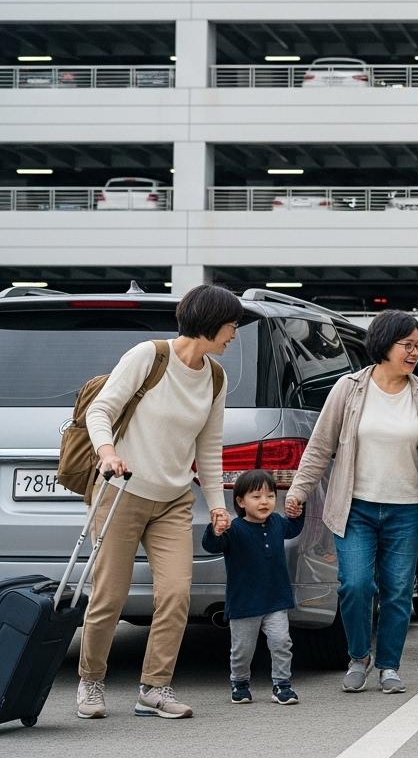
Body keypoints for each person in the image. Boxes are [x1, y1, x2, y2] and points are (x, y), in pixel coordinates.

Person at [285, 310, 418, 695]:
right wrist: (299, 490)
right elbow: (319, 446)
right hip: (355, 508)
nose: (416, 352)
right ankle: (358, 655)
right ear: (384, 344)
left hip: (405, 510)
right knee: (356, 586)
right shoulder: (348, 389)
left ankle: (389, 665)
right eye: (408, 345)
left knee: (398, 591)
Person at [77, 284, 242, 720]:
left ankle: (154, 688)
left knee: (175, 595)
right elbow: (100, 410)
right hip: (122, 494)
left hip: (173, 500)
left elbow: (209, 448)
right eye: (231, 326)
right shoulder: (149, 356)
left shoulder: (216, 377)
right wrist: (107, 452)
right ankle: (91, 680)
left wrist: (218, 504)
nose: (234, 335)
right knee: (109, 596)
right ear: (209, 324)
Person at [201, 469, 305, 706]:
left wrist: (298, 512)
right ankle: (239, 683)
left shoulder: (278, 522)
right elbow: (211, 545)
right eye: (256, 497)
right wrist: (216, 529)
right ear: (240, 501)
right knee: (242, 649)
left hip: (276, 599)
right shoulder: (234, 529)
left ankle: (282, 685)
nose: (264, 502)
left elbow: (294, 528)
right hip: (244, 602)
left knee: (281, 642)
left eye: (270, 496)